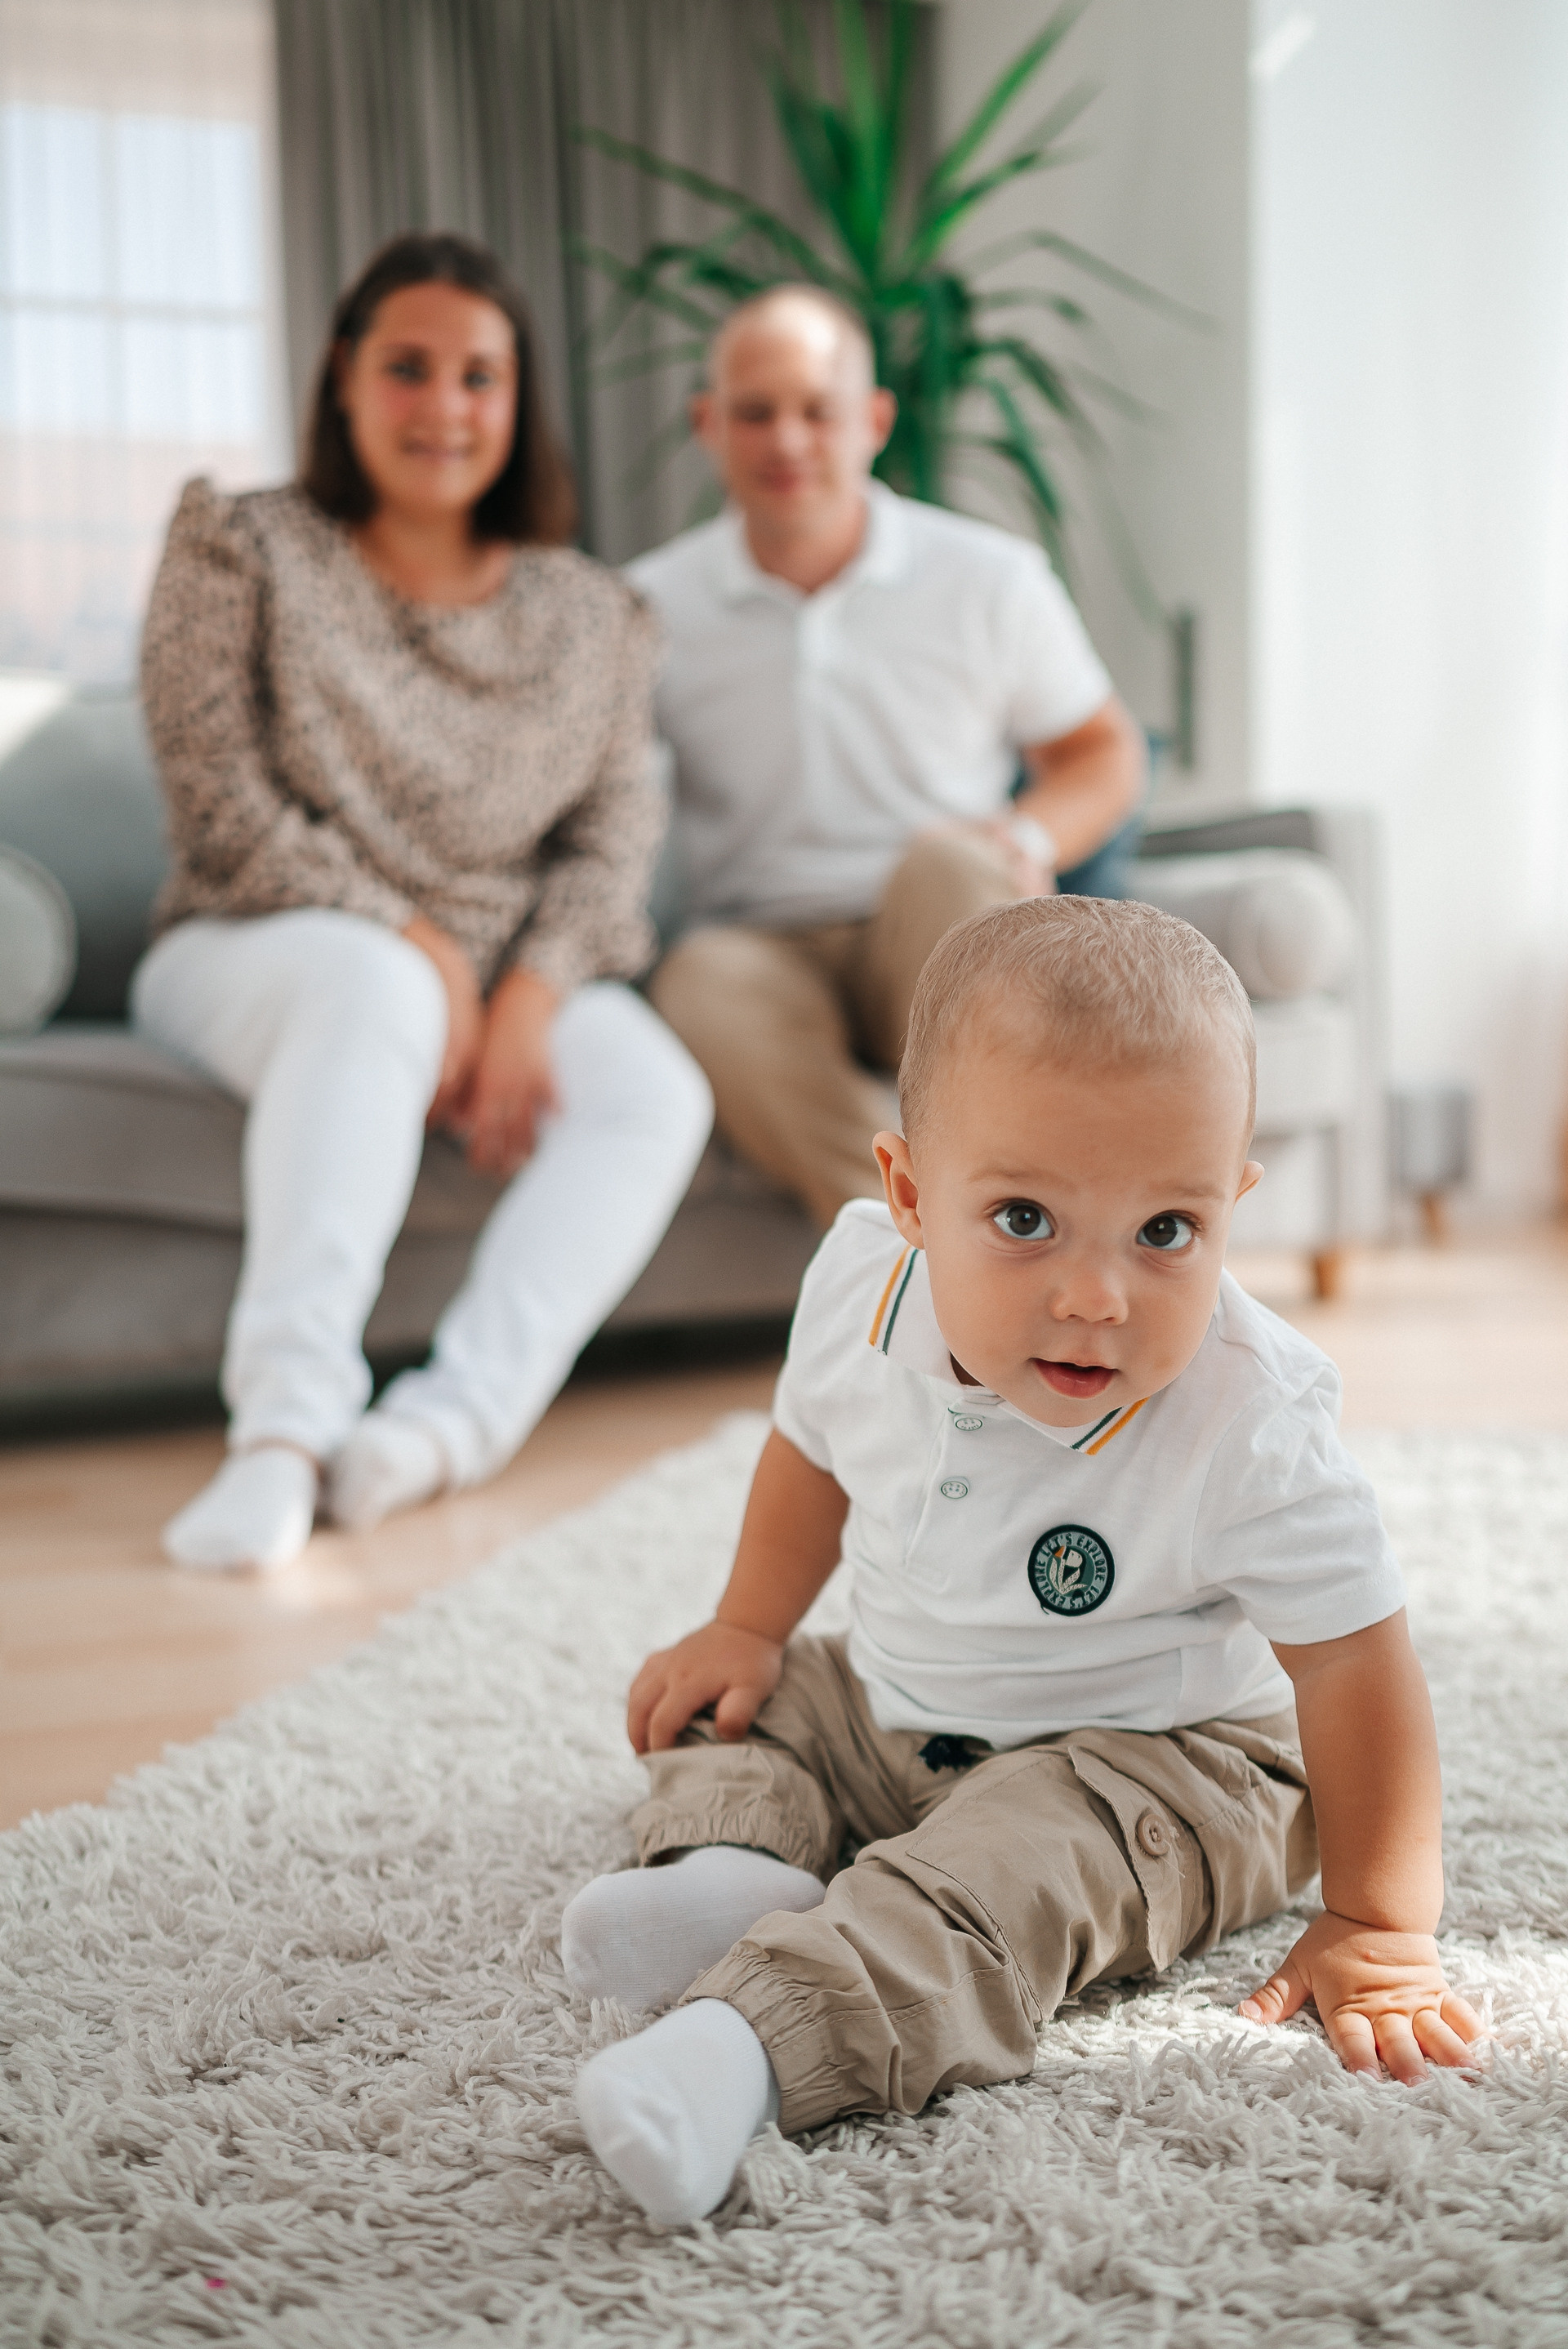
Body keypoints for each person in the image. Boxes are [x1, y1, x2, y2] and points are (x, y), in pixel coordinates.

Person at [560, 895, 1484, 2229]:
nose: (1098, 1295)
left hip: (1162, 1755)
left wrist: (1384, 1922)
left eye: (1166, 1230)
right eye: (1027, 1220)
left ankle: (749, 2049)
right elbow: (811, 1451)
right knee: (738, 1708)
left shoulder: (1253, 1421)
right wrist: (748, 1626)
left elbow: (1357, 1664)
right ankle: (729, 1868)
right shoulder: (857, 1286)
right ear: (911, 1198)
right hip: (902, 1698)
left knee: (1005, 1874)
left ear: (1233, 1204)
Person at [131, 234, 712, 1574]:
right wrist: (423, 950)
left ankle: (443, 1432)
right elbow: (221, 804)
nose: (444, 408)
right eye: (408, 368)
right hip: (250, 941)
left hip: (503, 962)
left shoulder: (593, 612)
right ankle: (280, 1431)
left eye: (478, 377)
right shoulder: (239, 544)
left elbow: (616, 831)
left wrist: (532, 987)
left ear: (517, 404)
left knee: (655, 1092)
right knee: (374, 984)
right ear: (344, 379)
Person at [627, 283, 1147, 1228]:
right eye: (755, 413)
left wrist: (1027, 833)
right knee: (695, 978)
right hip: (763, 943)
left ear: (872, 421)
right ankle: (952, 1247)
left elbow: (1104, 752)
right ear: (708, 425)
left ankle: (964, 1250)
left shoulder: (989, 578)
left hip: (931, 914)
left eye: (816, 411)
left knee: (954, 860)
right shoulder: (646, 608)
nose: (787, 441)